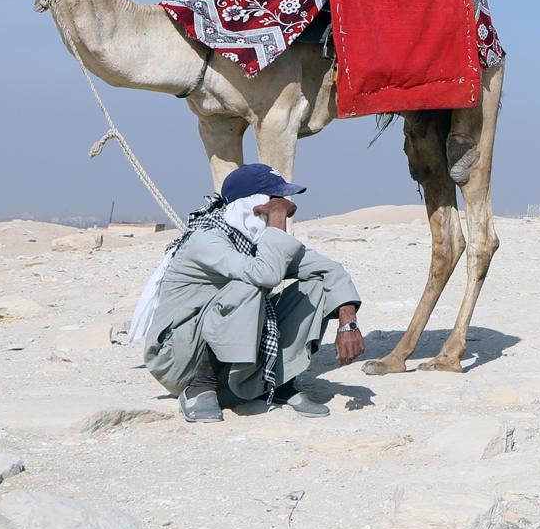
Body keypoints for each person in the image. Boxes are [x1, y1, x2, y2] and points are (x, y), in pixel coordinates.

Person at [129, 163, 364, 423]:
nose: (283, 206)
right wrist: (276, 221)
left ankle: (279, 383)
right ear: (250, 204)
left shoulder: (259, 242)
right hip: (181, 361)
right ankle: (199, 388)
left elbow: (330, 271)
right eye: (275, 200)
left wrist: (347, 322)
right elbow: (264, 274)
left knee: (316, 285)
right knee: (247, 285)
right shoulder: (206, 239)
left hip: (231, 358)